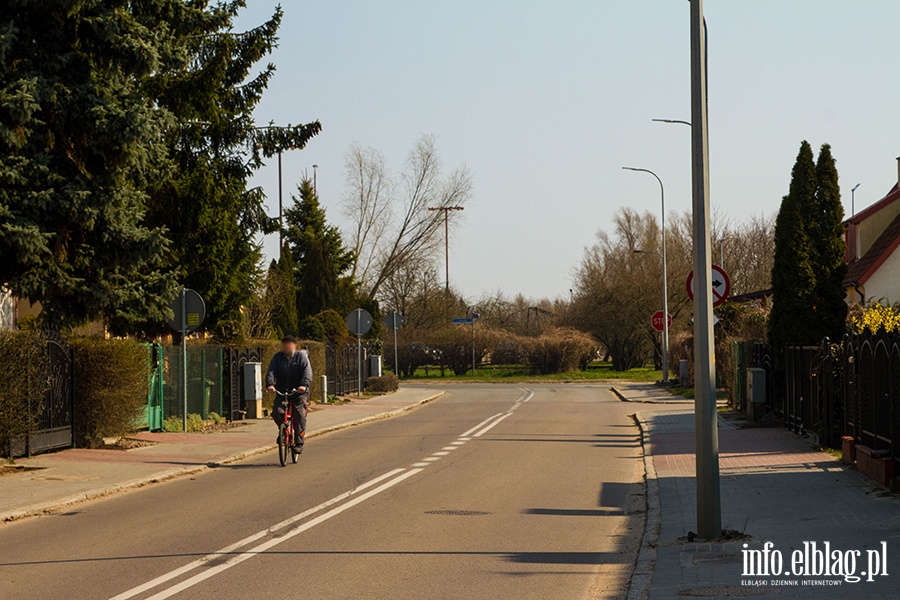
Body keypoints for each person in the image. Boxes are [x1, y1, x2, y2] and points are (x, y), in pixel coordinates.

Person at [266, 335, 312, 452]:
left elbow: (307, 372)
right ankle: (283, 431)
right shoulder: (277, 357)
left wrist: (303, 385)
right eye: (285, 345)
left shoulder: (300, 357)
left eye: (289, 345)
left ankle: (299, 442)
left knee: (299, 416)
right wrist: (270, 384)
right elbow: (271, 371)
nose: (287, 347)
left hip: (298, 393)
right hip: (282, 392)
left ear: (294, 346)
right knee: (277, 412)